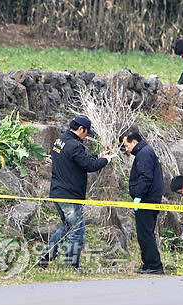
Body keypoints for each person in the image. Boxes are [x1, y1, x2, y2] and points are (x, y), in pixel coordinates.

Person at [38, 115, 113, 271]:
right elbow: (89, 165)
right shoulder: (75, 146)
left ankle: (47, 256)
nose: (86, 137)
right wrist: (106, 160)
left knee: (66, 227)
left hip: (57, 193)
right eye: (86, 133)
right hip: (70, 195)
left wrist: (99, 157)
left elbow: (80, 160)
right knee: (77, 230)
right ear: (81, 129)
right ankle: (71, 266)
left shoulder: (61, 140)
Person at [121, 131, 164, 274]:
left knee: (146, 234)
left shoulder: (144, 154)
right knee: (143, 234)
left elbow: (146, 177)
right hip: (147, 199)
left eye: (127, 145)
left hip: (147, 200)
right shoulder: (144, 153)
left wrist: (138, 196)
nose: (126, 149)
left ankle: (154, 265)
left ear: (134, 142)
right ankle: (147, 263)